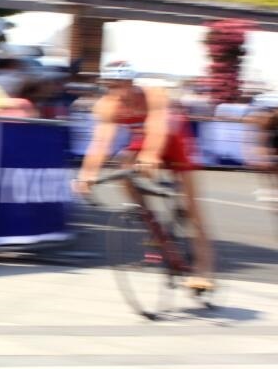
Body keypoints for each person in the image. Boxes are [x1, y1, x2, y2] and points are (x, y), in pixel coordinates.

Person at [73, 61, 215, 291]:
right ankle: (148, 218)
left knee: (192, 208)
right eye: (111, 86)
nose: (117, 91)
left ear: (131, 83)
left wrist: (150, 154)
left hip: (174, 138)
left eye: (121, 85)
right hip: (144, 139)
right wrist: (87, 173)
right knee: (123, 166)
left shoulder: (154, 94)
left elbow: (158, 127)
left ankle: (203, 271)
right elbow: (101, 142)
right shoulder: (107, 105)